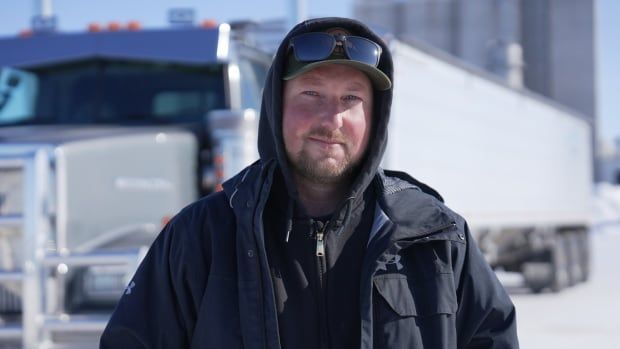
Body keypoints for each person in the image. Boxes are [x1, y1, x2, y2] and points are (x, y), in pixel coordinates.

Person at [100, 17, 518, 348]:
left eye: (351, 98)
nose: (330, 119)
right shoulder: (202, 237)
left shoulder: (436, 237)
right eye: (311, 94)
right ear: (275, 108)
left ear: (374, 118)